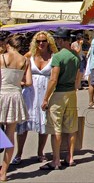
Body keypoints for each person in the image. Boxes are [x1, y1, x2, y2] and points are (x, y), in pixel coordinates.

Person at [12, 31, 58, 165]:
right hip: (29, 93)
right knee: (23, 125)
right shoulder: (29, 56)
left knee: (43, 124)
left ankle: (40, 152)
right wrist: (20, 83)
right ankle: (19, 153)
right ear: (35, 43)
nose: (41, 43)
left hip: (45, 93)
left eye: (44, 41)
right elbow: (17, 73)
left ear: (49, 42)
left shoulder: (53, 57)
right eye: (38, 41)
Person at [40, 28, 81, 170]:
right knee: (71, 127)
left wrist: (45, 98)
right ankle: (70, 157)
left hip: (59, 94)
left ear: (62, 40)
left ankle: (56, 160)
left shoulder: (57, 57)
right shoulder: (76, 56)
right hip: (71, 93)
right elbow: (78, 76)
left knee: (55, 128)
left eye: (57, 39)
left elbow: (53, 79)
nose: (56, 41)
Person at [0, 35, 32, 182]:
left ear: (8, 44)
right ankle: (4, 172)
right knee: (10, 134)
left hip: (2, 94)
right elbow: (29, 82)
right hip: (15, 96)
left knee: (3, 134)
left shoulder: (2, 58)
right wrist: (19, 81)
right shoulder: (25, 61)